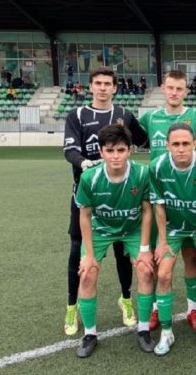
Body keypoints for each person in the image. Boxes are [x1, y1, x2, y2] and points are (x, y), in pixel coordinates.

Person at [63, 67, 148, 336]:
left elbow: (145, 138)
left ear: (115, 88)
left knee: (123, 247)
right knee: (79, 251)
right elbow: (70, 149)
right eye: (97, 83)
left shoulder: (124, 114)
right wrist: (85, 163)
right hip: (87, 190)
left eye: (107, 83)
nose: (102, 87)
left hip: (123, 191)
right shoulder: (77, 114)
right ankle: (72, 305)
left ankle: (125, 300)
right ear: (90, 87)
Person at [138, 70, 196, 332]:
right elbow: (128, 133)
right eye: (170, 87)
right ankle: (158, 307)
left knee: (191, 256)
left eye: (179, 88)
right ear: (162, 87)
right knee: (161, 257)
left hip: (192, 198)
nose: (174, 93)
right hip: (162, 198)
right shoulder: (150, 118)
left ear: (186, 91)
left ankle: (194, 308)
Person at [74, 124, 154, 358]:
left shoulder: (142, 173)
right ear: (101, 152)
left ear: (130, 150)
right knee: (87, 273)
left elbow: (147, 211)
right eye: (110, 151)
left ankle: (144, 329)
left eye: (120, 150)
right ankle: (89, 334)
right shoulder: (89, 177)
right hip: (100, 229)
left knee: (146, 270)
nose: (115, 156)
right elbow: (85, 216)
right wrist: (88, 255)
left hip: (132, 229)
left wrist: (145, 249)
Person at [148, 123, 196, 356]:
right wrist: (162, 241)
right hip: (172, 228)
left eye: (185, 144)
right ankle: (167, 332)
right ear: (167, 145)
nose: (181, 149)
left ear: (194, 145)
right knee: (164, 274)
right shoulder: (157, 166)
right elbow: (158, 207)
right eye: (176, 144)